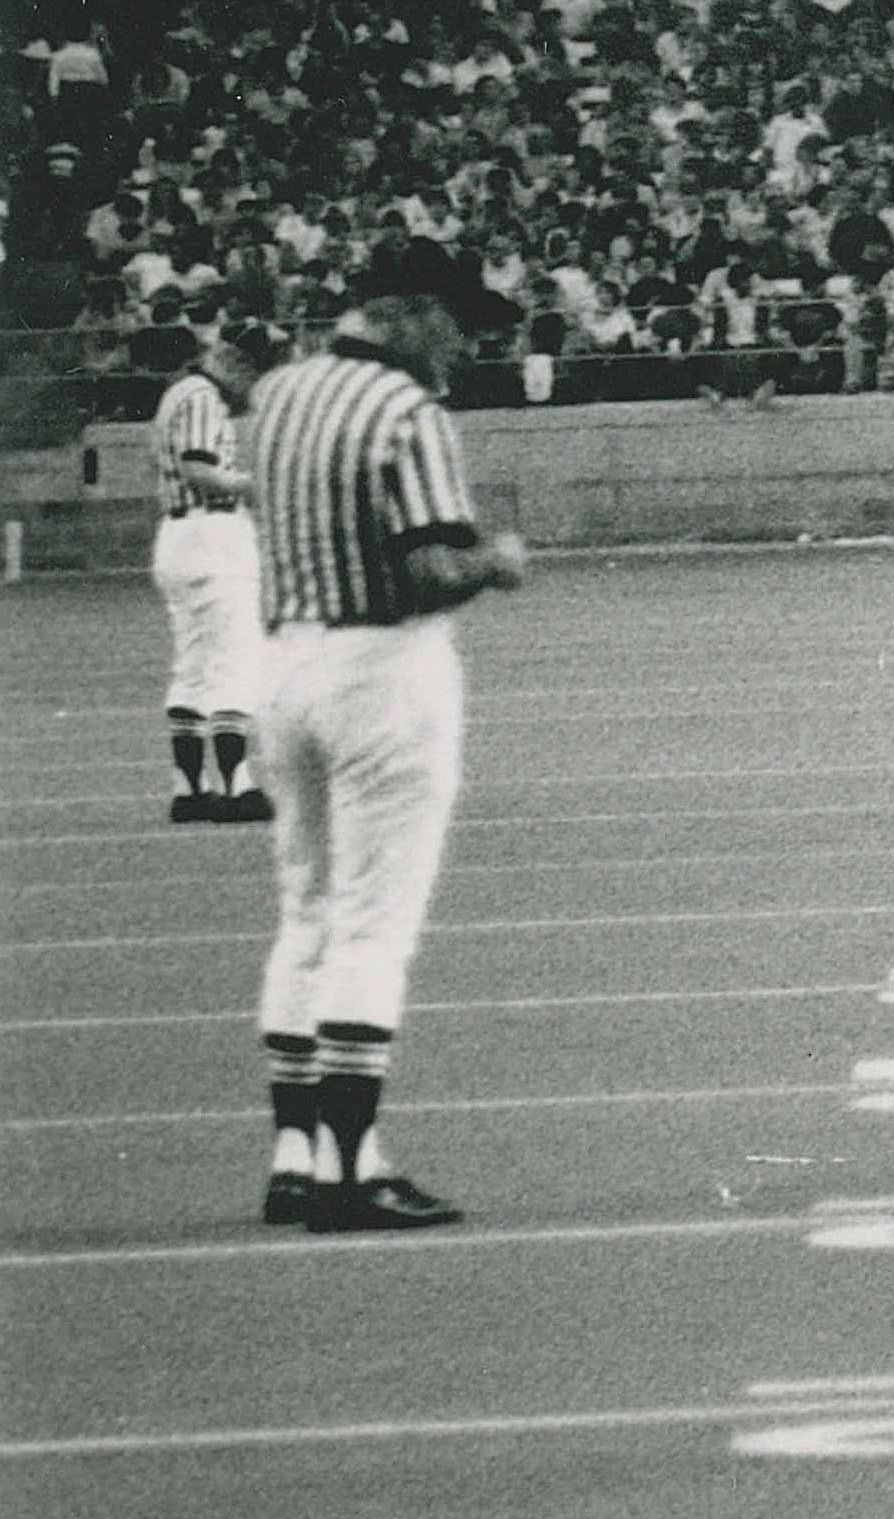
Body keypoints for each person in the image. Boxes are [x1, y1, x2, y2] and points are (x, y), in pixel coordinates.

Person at [246, 273, 530, 1232]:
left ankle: (294, 1153)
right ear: (411, 313)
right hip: (381, 665)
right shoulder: (405, 411)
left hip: (283, 659)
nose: (460, 351)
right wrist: (496, 561)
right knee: (376, 921)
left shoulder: (279, 392)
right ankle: (350, 1163)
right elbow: (428, 568)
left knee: (308, 907)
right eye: (454, 327)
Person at [150, 320, 274, 823]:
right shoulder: (202, 397)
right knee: (233, 658)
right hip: (212, 535)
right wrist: (255, 485)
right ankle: (235, 783)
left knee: (194, 664)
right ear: (237, 361)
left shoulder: (178, 394)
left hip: (180, 536)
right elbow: (199, 469)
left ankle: (189, 786)